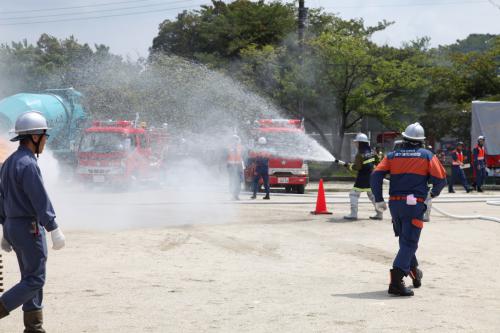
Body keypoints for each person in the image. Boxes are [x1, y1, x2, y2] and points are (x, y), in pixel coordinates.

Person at [0, 111, 66, 331]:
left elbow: (2, 198)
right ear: (35, 137)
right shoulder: (28, 164)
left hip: (14, 226)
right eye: (44, 136)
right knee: (35, 279)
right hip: (29, 228)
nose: (46, 141)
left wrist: (5, 229)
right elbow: (39, 198)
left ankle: (34, 328)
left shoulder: (9, 162)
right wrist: (53, 227)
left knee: (29, 277)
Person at [371, 122, 446, 297]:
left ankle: (414, 271)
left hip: (395, 205)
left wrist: (379, 199)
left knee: (405, 240)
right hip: (414, 205)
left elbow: (375, 175)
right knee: (410, 242)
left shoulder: (392, 155)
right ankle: (396, 281)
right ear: (421, 141)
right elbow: (441, 179)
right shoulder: (427, 155)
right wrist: (432, 194)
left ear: (404, 138)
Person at [343, 133, 383, 221]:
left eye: (357, 142)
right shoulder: (372, 151)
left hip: (362, 178)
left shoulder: (359, 154)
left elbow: (358, 167)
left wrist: (349, 166)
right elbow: (378, 161)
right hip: (372, 177)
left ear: (361, 143)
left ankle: (353, 214)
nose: (355, 144)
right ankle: (379, 213)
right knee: (372, 195)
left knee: (353, 195)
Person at [226, 135, 244, 200]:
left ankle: (236, 195)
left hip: (239, 166)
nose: (235, 141)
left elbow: (244, 157)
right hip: (231, 166)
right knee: (232, 181)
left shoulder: (241, 147)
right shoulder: (228, 147)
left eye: (236, 139)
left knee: (239, 181)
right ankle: (233, 194)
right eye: (234, 140)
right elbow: (224, 156)